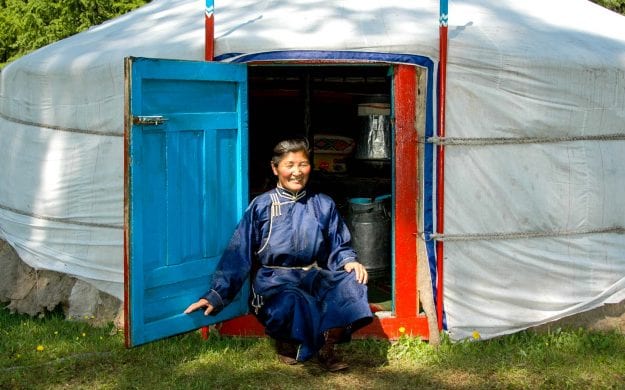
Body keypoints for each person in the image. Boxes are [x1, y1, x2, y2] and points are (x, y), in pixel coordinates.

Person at [184, 138, 373, 371]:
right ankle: (289, 340)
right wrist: (216, 294)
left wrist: (349, 261)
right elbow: (239, 252)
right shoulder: (261, 206)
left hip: (313, 275)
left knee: (353, 282)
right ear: (275, 169)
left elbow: (338, 244)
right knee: (292, 301)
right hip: (275, 282)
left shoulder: (323, 204)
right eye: (289, 165)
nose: (297, 172)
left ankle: (327, 346)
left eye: (303, 164)